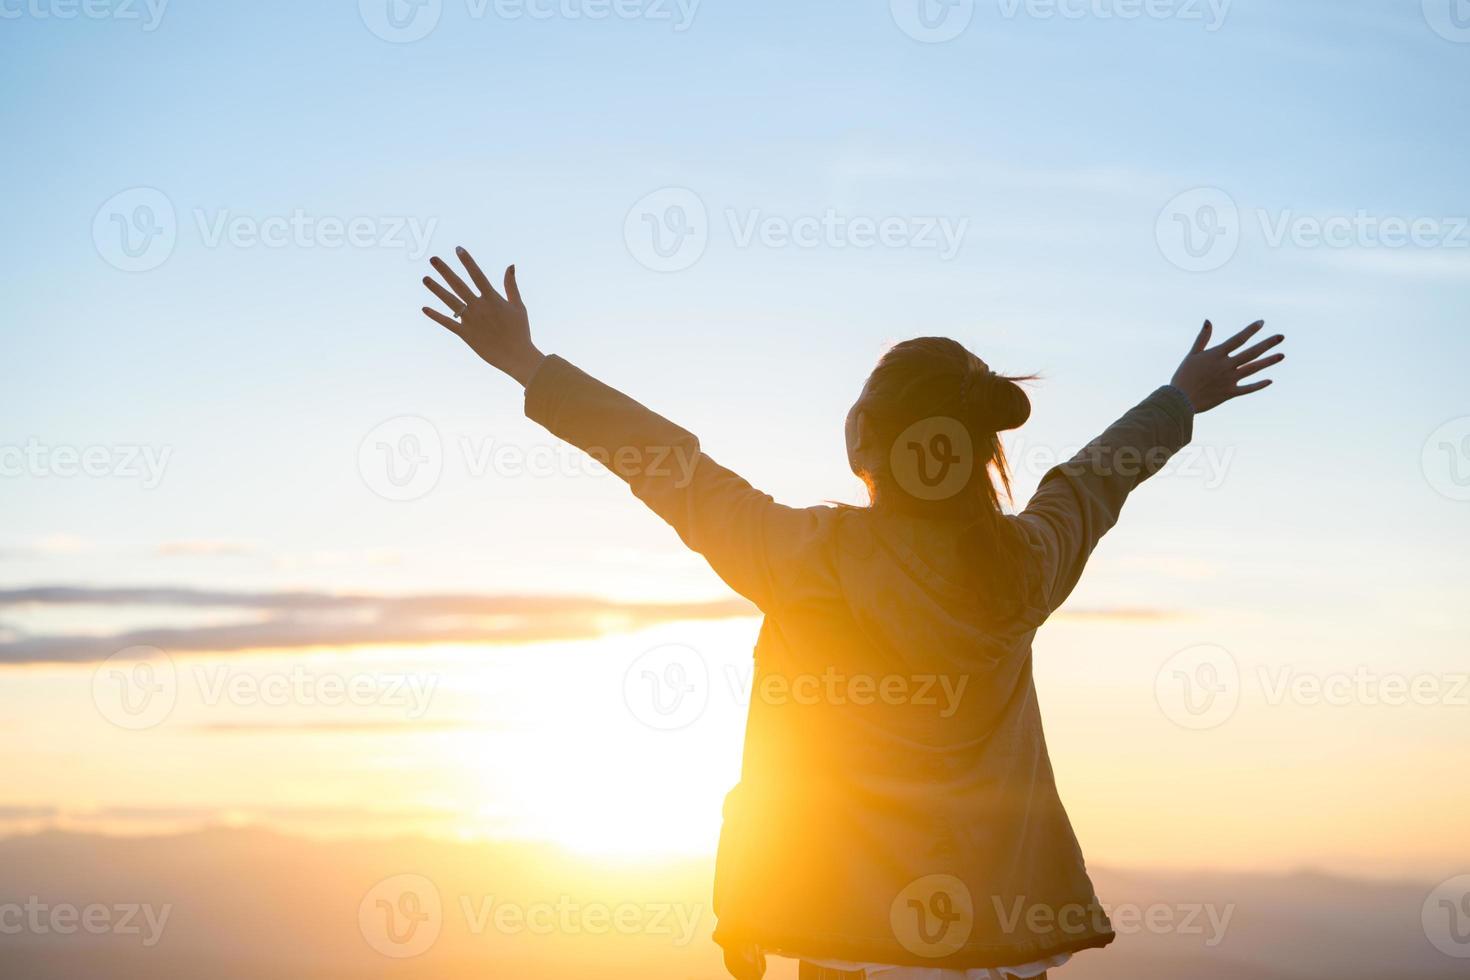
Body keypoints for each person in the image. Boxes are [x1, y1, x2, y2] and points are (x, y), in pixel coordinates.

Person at [420, 247, 1285, 980]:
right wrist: (1181, 396)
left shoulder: (810, 559)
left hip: (851, 939)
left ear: (866, 441)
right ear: (983, 453)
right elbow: (1096, 477)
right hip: (1003, 943)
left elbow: (669, 468)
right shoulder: (1023, 566)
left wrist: (532, 366)